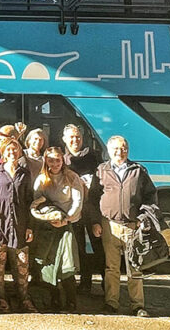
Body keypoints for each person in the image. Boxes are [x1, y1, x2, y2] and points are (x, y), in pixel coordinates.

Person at [94, 135, 157, 317]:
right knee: (111, 268)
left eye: (123, 148)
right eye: (116, 148)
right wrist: (95, 222)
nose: (120, 152)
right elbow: (92, 198)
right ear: (108, 149)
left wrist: (143, 217)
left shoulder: (138, 170)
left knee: (135, 268)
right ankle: (111, 303)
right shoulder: (101, 170)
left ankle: (137, 305)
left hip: (132, 226)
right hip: (109, 226)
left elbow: (150, 197)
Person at [0, 140, 37, 313]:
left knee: (22, 264)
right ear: (3, 152)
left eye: (15, 149)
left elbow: (30, 200)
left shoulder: (25, 173)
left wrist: (30, 226)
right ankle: (1, 298)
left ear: (20, 152)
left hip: (20, 223)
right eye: (9, 149)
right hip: (0, 224)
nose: (12, 152)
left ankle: (24, 298)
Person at [31, 147, 85, 312]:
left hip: (66, 226)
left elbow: (78, 202)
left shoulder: (72, 177)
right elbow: (36, 201)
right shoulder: (41, 179)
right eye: (51, 160)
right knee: (49, 263)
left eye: (58, 160)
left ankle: (71, 301)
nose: (54, 164)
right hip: (47, 227)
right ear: (46, 161)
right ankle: (54, 299)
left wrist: (65, 219)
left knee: (66, 264)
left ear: (63, 161)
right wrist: (48, 214)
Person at [62, 124, 105, 294]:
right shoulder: (62, 160)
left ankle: (105, 284)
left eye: (78, 137)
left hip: (92, 211)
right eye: (71, 137)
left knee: (98, 247)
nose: (75, 140)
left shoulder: (93, 157)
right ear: (64, 139)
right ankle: (85, 283)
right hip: (72, 211)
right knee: (78, 248)